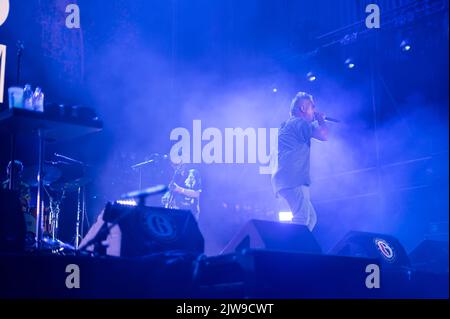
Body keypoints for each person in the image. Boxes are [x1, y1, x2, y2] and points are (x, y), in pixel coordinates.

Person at [271, 92, 328, 231]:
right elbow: (324, 135)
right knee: (301, 218)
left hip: (284, 179)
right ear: (303, 108)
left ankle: (299, 248)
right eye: (312, 107)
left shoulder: (287, 124)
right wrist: (321, 120)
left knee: (311, 218)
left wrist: (315, 120)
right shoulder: (299, 122)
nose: (314, 111)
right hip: (294, 178)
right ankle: (290, 250)